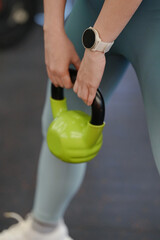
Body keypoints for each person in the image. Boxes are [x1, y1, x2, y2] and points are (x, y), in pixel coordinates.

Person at [1, 0, 160, 239]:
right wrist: (52, 30)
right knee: (61, 128)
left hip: (154, 19)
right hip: (91, 9)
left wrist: (96, 48)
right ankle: (43, 230)